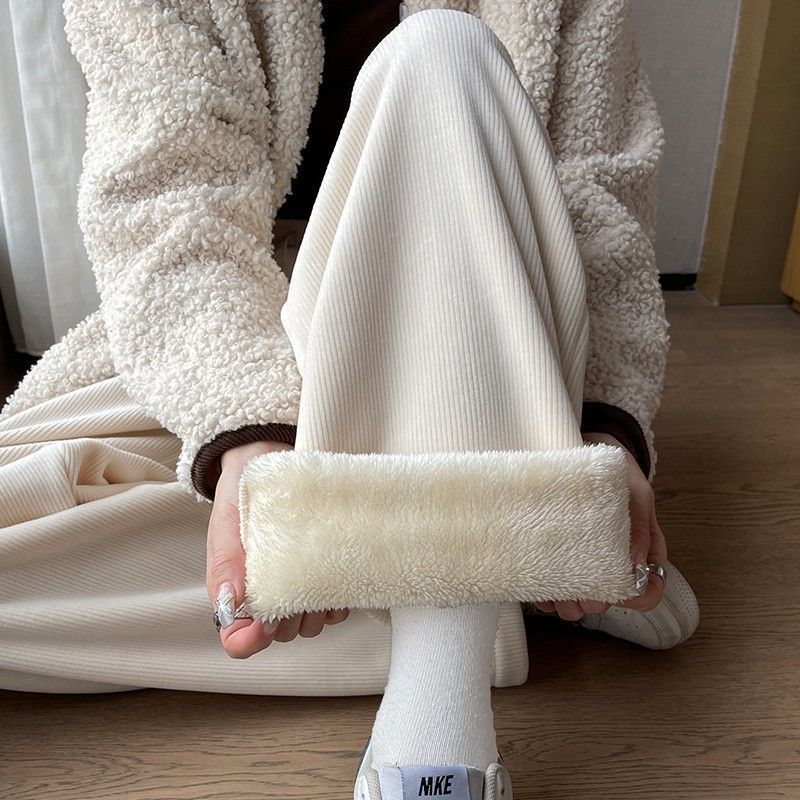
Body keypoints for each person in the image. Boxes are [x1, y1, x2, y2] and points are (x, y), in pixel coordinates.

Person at [0, 1, 699, 796]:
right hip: (256, 340)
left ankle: (435, 686)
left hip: (501, 321)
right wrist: (251, 440)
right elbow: (170, 208)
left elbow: (600, 208)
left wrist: (606, 426)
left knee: (441, 52)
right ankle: (513, 565)